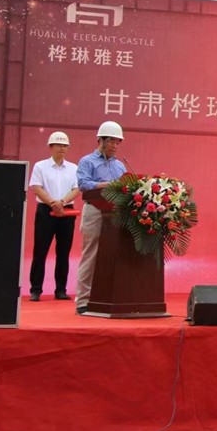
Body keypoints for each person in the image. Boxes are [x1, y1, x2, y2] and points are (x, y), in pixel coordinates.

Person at [75, 121, 127, 315]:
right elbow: (83, 184)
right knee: (91, 255)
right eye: (111, 141)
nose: (114, 145)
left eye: (117, 142)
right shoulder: (87, 161)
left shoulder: (120, 165)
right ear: (101, 140)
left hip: (115, 214)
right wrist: (106, 185)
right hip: (94, 211)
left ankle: (107, 298)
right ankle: (83, 300)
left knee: (113, 256)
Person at [27, 131, 80, 302]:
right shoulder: (40, 166)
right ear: (50, 147)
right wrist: (52, 203)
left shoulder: (73, 168)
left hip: (66, 211)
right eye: (58, 145)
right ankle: (36, 290)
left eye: (65, 145)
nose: (62, 148)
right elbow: (37, 187)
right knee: (40, 251)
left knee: (63, 252)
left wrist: (62, 202)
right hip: (46, 211)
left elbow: (77, 189)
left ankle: (61, 290)